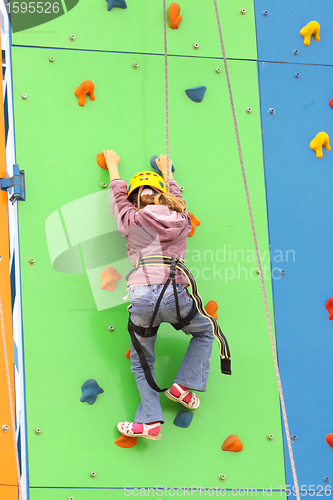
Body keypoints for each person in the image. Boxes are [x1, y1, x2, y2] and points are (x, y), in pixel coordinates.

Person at [105, 149, 215, 441]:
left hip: (142, 296)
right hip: (173, 293)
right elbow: (177, 198)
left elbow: (117, 201)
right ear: (164, 195)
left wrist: (113, 167)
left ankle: (151, 422)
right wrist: (167, 171)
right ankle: (182, 385)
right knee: (205, 333)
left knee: (143, 362)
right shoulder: (179, 215)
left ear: (134, 200)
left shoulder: (131, 219)